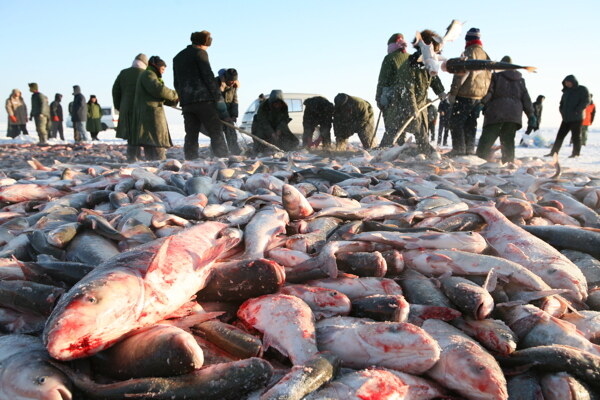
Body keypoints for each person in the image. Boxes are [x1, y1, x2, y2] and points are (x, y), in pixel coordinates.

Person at [379, 30, 446, 155]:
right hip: (401, 105)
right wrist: (412, 108)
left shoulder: (428, 63)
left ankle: (425, 154)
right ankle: (378, 157)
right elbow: (407, 89)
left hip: (419, 105)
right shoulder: (411, 63)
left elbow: (433, 78)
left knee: (422, 137)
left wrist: (440, 91)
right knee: (392, 136)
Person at [173, 30, 229, 159]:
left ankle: (191, 160)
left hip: (187, 103)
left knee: (191, 134)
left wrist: (182, 97)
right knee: (216, 132)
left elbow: (176, 82)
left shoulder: (178, 57)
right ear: (204, 42)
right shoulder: (200, 53)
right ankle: (223, 159)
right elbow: (208, 78)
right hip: (204, 101)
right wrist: (219, 100)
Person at [475, 56, 533, 164]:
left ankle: (479, 163)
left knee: (486, 142)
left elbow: (489, 93)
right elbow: (526, 99)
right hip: (513, 116)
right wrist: (531, 115)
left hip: (496, 114)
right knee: (508, 143)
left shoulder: (496, 77)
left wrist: (481, 104)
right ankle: (508, 165)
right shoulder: (520, 80)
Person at [448, 28, 492, 156]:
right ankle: (469, 150)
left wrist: (453, 93)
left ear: (468, 40)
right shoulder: (485, 55)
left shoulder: (468, 53)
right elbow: (489, 75)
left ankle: (459, 150)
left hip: (464, 95)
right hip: (479, 97)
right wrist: (485, 97)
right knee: (471, 124)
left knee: (456, 122)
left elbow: (460, 75)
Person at [131, 56, 179, 161]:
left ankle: (153, 163)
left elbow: (157, 95)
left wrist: (173, 101)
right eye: (162, 69)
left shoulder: (148, 75)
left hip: (149, 113)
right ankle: (160, 163)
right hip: (151, 114)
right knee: (157, 141)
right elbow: (159, 90)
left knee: (151, 141)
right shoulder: (148, 75)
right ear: (156, 66)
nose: (163, 72)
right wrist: (175, 95)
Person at [376, 33, 409, 147]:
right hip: (408, 98)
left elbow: (383, 80)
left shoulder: (389, 58)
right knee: (402, 124)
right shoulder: (410, 57)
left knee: (391, 125)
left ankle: (386, 148)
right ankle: (400, 146)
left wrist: (378, 98)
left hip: (392, 97)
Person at [113, 53, 148, 161]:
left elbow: (115, 91)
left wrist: (119, 106)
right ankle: (140, 156)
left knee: (131, 134)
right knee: (141, 133)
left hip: (126, 108)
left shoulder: (124, 73)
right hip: (142, 108)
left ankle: (132, 156)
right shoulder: (146, 74)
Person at [545, 75, 590, 158]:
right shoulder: (566, 91)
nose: (567, 84)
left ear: (573, 81)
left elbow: (586, 100)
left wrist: (578, 110)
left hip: (577, 117)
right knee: (560, 136)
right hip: (566, 118)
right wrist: (561, 110)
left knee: (576, 136)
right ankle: (553, 152)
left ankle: (576, 153)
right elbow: (561, 103)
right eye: (565, 83)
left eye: (568, 82)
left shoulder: (582, 89)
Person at [216, 68, 242, 154]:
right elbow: (218, 101)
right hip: (216, 114)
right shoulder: (216, 83)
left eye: (234, 80)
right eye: (230, 80)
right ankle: (218, 154)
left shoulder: (233, 86)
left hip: (228, 116)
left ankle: (235, 152)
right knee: (217, 135)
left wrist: (234, 115)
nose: (232, 82)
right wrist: (225, 116)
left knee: (231, 132)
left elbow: (235, 100)